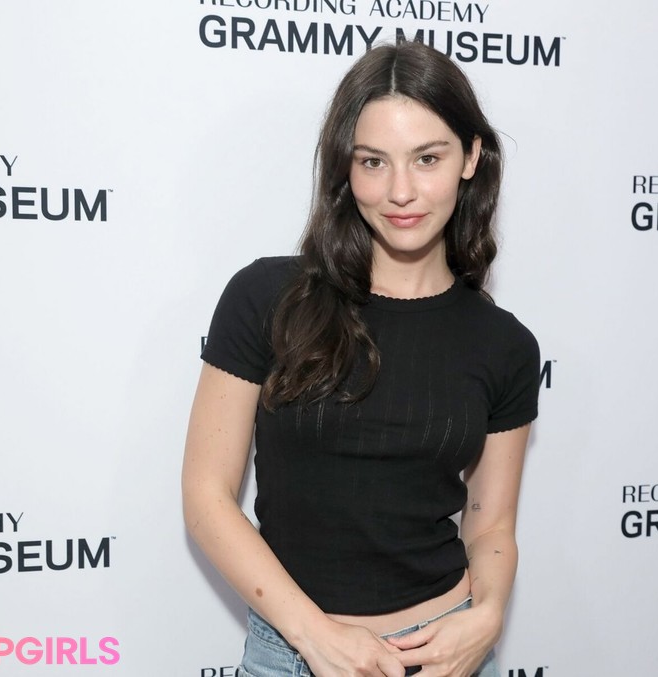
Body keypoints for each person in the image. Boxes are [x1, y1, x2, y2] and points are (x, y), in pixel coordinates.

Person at [183, 40, 539, 677]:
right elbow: (207, 497)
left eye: (427, 158)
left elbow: (490, 527)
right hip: (294, 655)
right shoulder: (266, 297)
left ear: (470, 157)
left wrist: (487, 615)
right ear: (345, 167)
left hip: (445, 654)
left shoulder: (504, 344)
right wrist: (314, 635)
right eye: (374, 161)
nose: (401, 191)